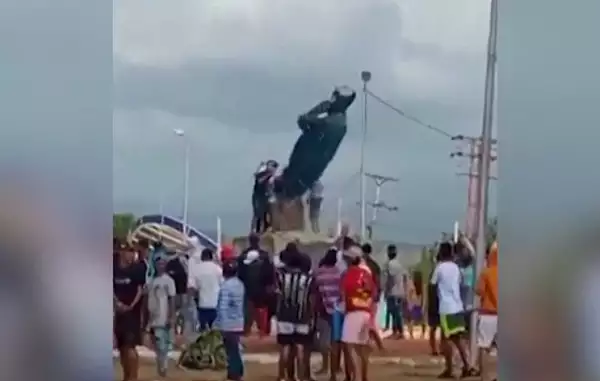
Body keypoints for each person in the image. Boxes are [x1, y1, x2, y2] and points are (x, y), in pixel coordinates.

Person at [430, 242, 477, 378]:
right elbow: (460, 284)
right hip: (458, 306)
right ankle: (467, 366)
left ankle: (450, 369)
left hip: (446, 307)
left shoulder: (439, 268)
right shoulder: (456, 268)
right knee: (458, 338)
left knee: (446, 340)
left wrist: (432, 309)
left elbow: (433, 286)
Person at [275, 246, 315, 381]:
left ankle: (282, 376)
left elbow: (277, 294)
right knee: (300, 347)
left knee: (285, 347)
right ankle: (301, 376)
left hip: (284, 315)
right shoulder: (308, 279)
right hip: (302, 315)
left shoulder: (282, 276)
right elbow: (311, 299)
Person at [340, 245, 378, 381]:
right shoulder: (367, 274)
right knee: (362, 348)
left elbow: (343, 295)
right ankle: (364, 377)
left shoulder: (348, 274)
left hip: (353, 313)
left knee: (349, 346)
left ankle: (355, 377)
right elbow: (373, 294)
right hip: (366, 312)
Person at [114, 246, 145, 381]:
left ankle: (133, 376)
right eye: (129, 252)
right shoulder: (115, 269)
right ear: (122, 252)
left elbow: (140, 290)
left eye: (133, 252)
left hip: (132, 314)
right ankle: (127, 376)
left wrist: (130, 305)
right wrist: (117, 303)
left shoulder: (137, 269)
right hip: (117, 313)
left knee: (130, 346)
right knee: (122, 348)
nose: (131, 255)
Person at [238, 234, 276, 336]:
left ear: (249, 241)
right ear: (258, 241)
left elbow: (240, 274)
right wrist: (270, 285)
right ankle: (262, 332)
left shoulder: (243, 255)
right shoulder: (264, 255)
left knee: (247, 312)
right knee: (262, 311)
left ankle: (247, 332)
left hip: (247, 288)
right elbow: (270, 272)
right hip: (261, 288)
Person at [314, 248, 343, 379]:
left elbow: (315, 292)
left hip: (323, 310)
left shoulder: (318, 273)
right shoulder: (339, 273)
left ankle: (325, 366)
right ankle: (334, 371)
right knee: (335, 343)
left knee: (324, 343)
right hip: (338, 310)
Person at [145, 258, 176, 378]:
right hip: (153, 317)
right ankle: (161, 366)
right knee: (157, 344)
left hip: (164, 316)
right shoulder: (151, 281)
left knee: (162, 343)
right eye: (158, 264)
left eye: (162, 263)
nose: (160, 266)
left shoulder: (169, 281)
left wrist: (171, 316)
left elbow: (172, 299)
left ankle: (163, 367)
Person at [214, 261, 246, 381]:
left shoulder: (225, 286)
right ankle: (236, 371)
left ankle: (235, 373)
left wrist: (218, 322)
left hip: (228, 323)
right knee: (236, 348)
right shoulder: (240, 284)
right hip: (238, 321)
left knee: (231, 350)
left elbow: (223, 306)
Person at [475, 241, 498, 381]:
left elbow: (479, 291)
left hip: (488, 314)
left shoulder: (486, 272)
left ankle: (485, 377)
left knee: (484, 346)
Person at [187, 248, 223, 331]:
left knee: (203, 332)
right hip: (215, 305)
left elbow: (191, 288)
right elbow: (222, 285)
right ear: (211, 257)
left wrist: (193, 302)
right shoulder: (218, 269)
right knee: (215, 332)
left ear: (202, 257)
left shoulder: (196, 269)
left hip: (202, 305)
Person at [382, 244, 408, 339]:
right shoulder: (399, 264)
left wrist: (386, 290)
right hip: (400, 292)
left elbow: (389, 279)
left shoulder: (388, 265)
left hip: (392, 292)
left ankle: (398, 332)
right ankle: (397, 332)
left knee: (394, 313)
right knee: (397, 312)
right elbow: (405, 277)